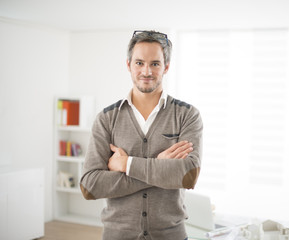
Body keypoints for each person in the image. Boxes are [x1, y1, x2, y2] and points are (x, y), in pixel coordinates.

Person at [80, 30, 203, 240]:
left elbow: (187, 175)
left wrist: (126, 164)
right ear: (128, 64)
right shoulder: (106, 118)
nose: (146, 71)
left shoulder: (187, 115)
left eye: (155, 63)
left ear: (166, 67)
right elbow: (90, 186)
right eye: (139, 63)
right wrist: (159, 165)